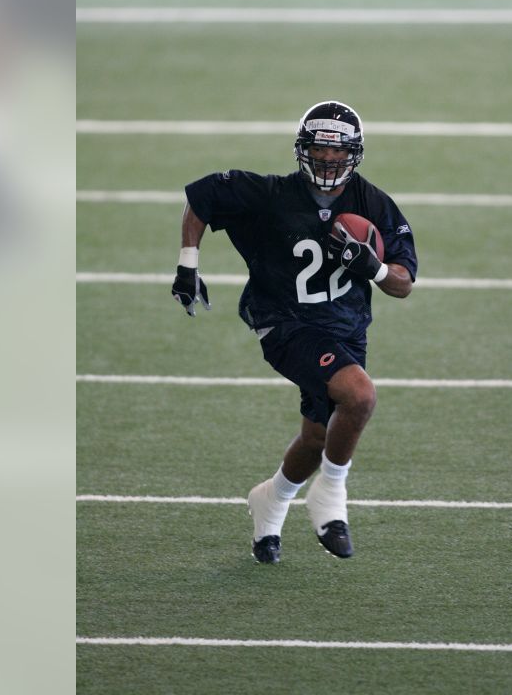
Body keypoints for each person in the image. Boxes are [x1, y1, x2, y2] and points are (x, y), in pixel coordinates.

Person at [170, 101, 419, 564]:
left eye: (336, 152)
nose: (327, 160)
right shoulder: (270, 195)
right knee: (360, 396)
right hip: (284, 321)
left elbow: (403, 283)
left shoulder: (375, 205)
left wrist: (377, 267)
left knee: (318, 437)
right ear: (303, 150)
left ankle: (272, 499)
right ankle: (330, 497)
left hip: (345, 329)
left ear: (354, 154)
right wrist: (189, 263)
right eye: (319, 150)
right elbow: (202, 197)